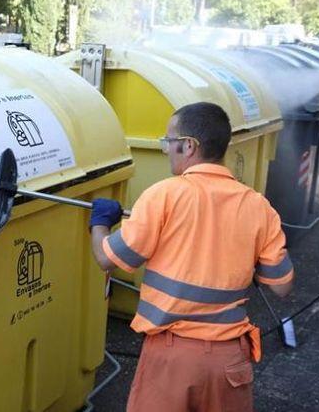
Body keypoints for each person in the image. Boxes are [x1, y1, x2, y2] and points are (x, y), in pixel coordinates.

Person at [88, 102, 294, 412]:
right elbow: (281, 286)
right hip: (229, 361)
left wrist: (100, 223)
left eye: (168, 142)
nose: (165, 150)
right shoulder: (259, 207)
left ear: (188, 145)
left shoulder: (164, 195)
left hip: (171, 358)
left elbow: (107, 258)